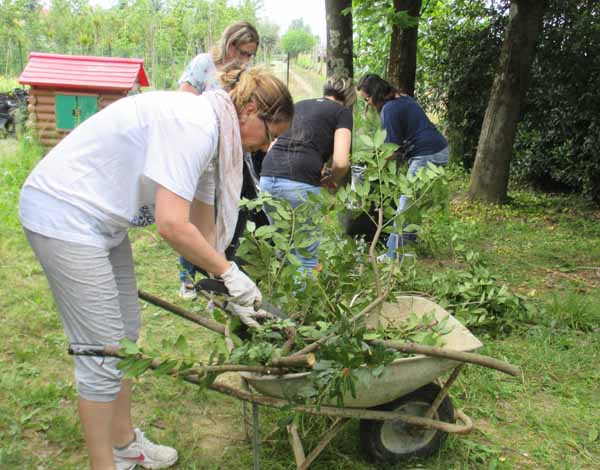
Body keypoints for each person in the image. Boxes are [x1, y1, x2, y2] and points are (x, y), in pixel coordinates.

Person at [18, 65, 293, 470]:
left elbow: (201, 231)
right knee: (103, 350)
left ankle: (125, 442)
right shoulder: (196, 125)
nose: (267, 147)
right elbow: (171, 224)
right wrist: (232, 275)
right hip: (66, 213)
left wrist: (226, 283)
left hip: (103, 222)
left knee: (126, 333)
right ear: (251, 109)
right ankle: (103, 465)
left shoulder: (217, 139)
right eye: (270, 135)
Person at [178, 20, 260, 299]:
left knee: (216, 216)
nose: (248, 60)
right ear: (231, 45)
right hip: (199, 149)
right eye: (245, 52)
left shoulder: (242, 75)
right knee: (187, 218)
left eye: (252, 55)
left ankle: (217, 273)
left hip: (224, 155)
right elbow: (185, 103)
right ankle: (188, 277)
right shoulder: (205, 64)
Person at [260, 76, 355, 273]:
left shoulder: (299, 104)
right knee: (307, 257)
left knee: (284, 248)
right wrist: (331, 179)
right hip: (300, 183)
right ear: (349, 98)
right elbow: (341, 161)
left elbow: (272, 144)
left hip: (268, 176)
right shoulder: (342, 113)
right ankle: (301, 304)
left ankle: (281, 300)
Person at [357, 74, 449, 260]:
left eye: (367, 99)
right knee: (412, 203)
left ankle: (392, 256)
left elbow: (392, 149)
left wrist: (374, 169)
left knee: (406, 205)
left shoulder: (389, 110)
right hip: (438, 149)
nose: (367, 104)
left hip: (427, 154)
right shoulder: (402, 97)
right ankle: (406, 249)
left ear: (375, 94)